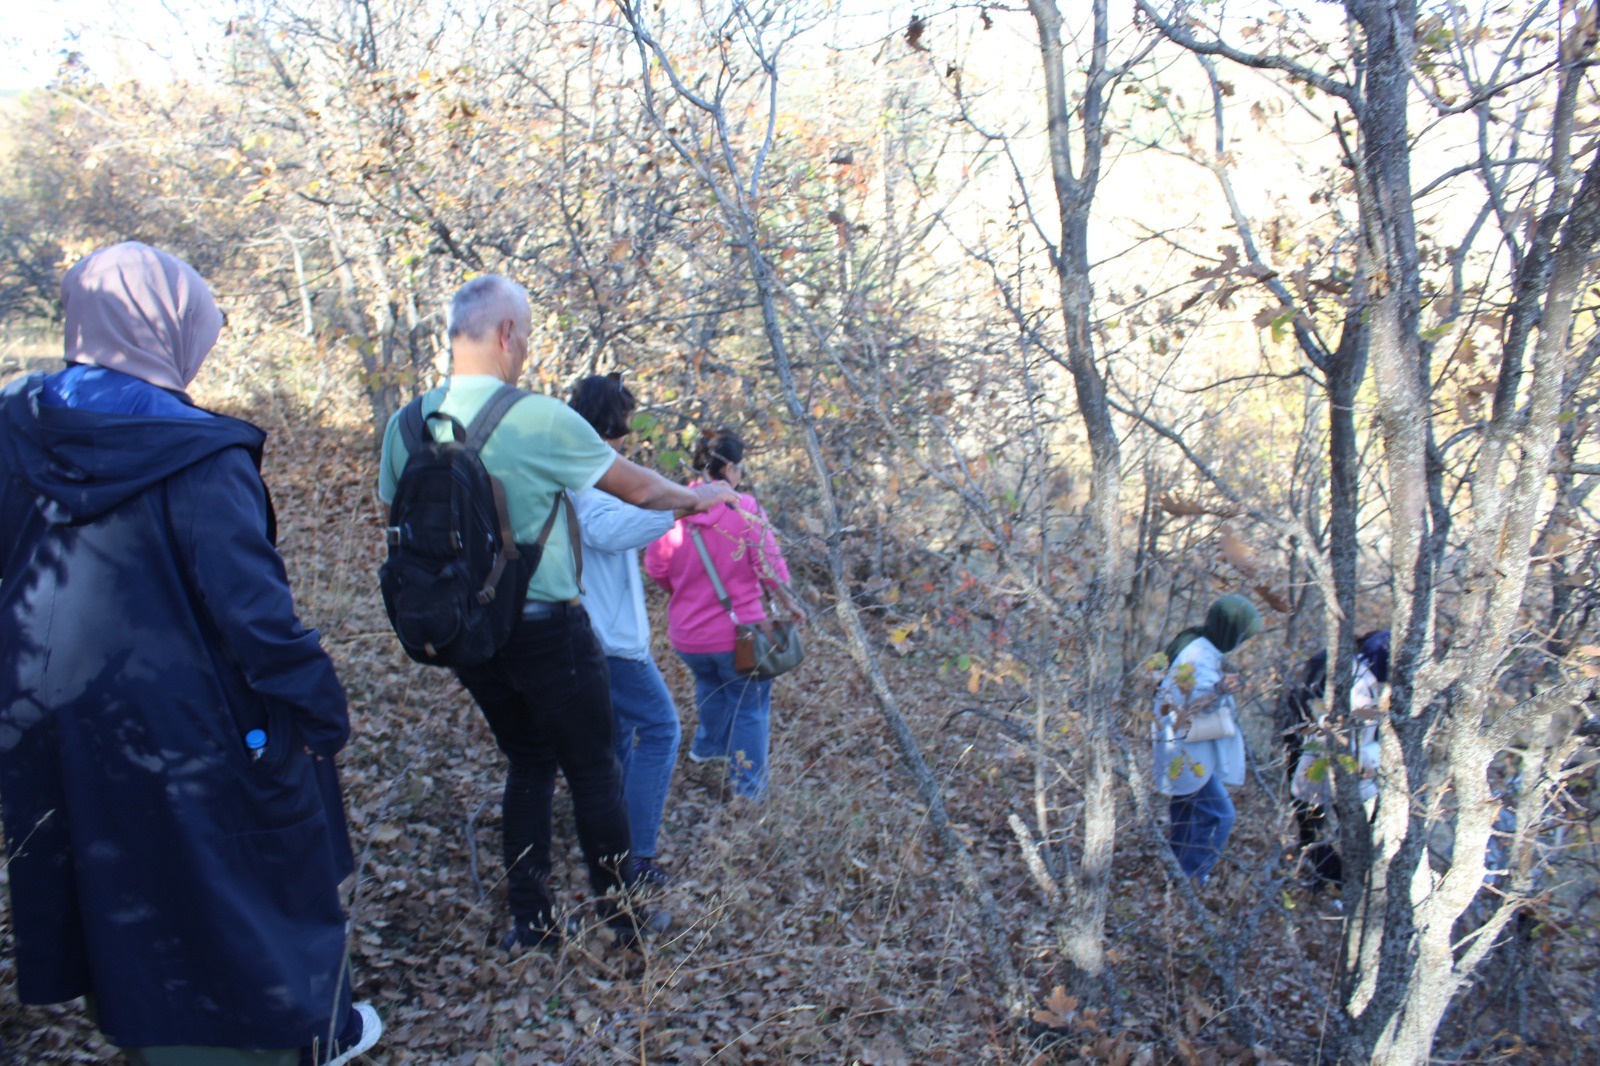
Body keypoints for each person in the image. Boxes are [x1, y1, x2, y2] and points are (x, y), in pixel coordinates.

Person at [0, 242, 380, 1065]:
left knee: (114, 877)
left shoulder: (14, 426)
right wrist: (319, 711)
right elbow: (255, 616)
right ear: (170, 327)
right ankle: (264, 1037)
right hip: (188, 719)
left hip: (48, 716)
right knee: (237, 872)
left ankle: (141, 1027)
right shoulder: (200, 453)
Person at [377, 276, 736, 951]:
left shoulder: (404, 425)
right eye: (527, 336)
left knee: (528, 761)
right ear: (507, 334)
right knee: (595, 768)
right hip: (547, 628)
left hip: (464, 633)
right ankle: (622, 918)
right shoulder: (539, 417)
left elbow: (395, 519)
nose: (525, 350)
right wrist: (698, 499)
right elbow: (637, 488)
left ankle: (532, 924)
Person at [645, 429, 803, 800]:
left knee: (710, 685)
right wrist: (791, 604)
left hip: (688, 636)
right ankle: (749, 791)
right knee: (750, 708)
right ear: (730, 468)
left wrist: (684, 595)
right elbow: (770, 569)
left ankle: (707, 749)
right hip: (741, 636)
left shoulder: (675, 507)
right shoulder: (743, 509)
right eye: (741, 466)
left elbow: (656, 568)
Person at [569, 373, 681, 887]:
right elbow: (605, 528)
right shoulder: (582, 470)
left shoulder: (583, 466)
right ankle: (636, 856)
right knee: (661, 728)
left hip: (602, 633)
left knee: (615, 743)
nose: (626, 439)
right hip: (606, 638)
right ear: (608, 424)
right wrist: (674, 508)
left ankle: (611, 852)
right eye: (623, 427)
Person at [1151, 594, 1263, 886]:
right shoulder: (1199, 654)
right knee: (1219, 815)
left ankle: (1177, 881)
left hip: (1188, 747)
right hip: (1186, 751)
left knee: (1188, 815)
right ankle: (1193, 879)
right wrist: (1220, 689)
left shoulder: (1200, 645)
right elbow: (1194, 705)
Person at [1285, 629, 1391, 888]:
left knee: (1315, 820)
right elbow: (1344, 744)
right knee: (1318, 821)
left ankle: (1321, 874)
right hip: (1317, 759)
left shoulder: (1346, 665)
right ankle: (1325, 877)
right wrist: (1384, 759)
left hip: (1309, 752)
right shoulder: (1356, 685)